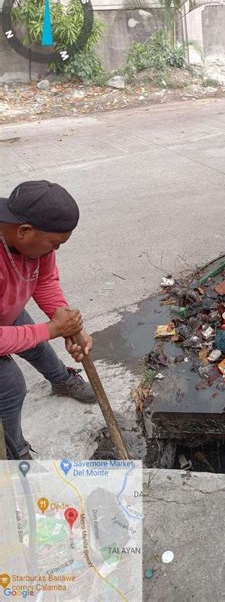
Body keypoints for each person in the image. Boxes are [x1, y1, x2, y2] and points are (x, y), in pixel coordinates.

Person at [0, 180, 95, 459]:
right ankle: (14, 450)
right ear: (24, 231)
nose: (56, 250)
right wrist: (51, 329)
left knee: (37, 344)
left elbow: (44, 280)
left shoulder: (33, 244)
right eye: (54, 243)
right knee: (10, 387)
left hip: (7, 311)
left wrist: (63, 321)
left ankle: (61, 380)